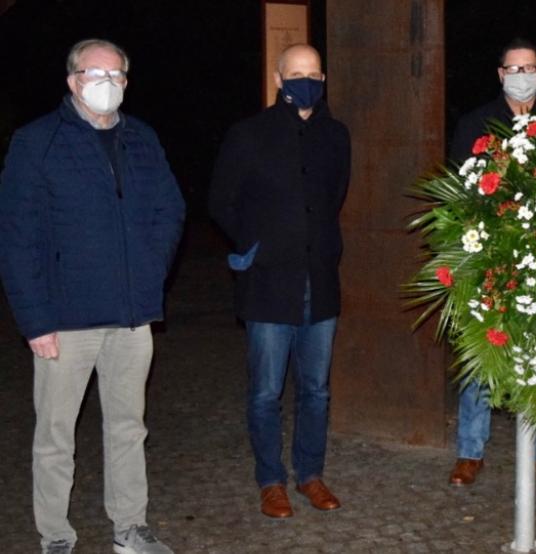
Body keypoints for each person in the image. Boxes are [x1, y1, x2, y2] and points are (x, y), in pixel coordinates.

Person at [0, 39, 185, 554]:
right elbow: (17, 237)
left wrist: (149, 274)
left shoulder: (142, 139)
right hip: (65, 320)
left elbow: (169, 211)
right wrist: (34, 320)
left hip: (130, 317)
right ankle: (55, 535)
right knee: (56, 436)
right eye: (93, 73)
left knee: (128, 427)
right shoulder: (37, 142)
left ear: (126, 82)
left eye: (116, 74)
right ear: (72, 81)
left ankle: (130, 527)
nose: (105, 82)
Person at [209, 44, 351, 519]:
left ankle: (310, 474)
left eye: (312, 73)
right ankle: (271, 481)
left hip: (320, 284)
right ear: (278, 78)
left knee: (316, 390)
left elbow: (333, 198)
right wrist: (256, 245)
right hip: (269, 284)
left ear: (323, 78)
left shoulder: (336, 135)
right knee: (266, 392)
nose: (304, 80)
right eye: (295, 73)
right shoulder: (248, 134)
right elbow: (221, 200)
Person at [446, 38, 536, 488]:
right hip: (490, 256)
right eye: (513, 69)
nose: (521, 76)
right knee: (482, 349)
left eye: (528, 68)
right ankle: (469, 451)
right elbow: (459, 189)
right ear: (500, 74)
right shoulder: (475, 122)